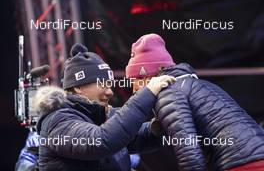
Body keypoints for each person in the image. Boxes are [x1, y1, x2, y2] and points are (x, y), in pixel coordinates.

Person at [125, 33, 264, 171]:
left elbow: (189, 152)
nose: (134, 89)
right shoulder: (199, 85)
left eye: (134, 81)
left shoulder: (168, 94)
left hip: (241, 164)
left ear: (147, 76)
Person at [34, 43, 175, 171]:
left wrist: (159, 128)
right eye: (102, 84)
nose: (110, 92)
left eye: (110, 84)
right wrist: (148, 93)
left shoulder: (103, 115)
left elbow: (132, 135)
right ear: (77, 87)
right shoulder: (57, 121)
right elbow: (101, 141)